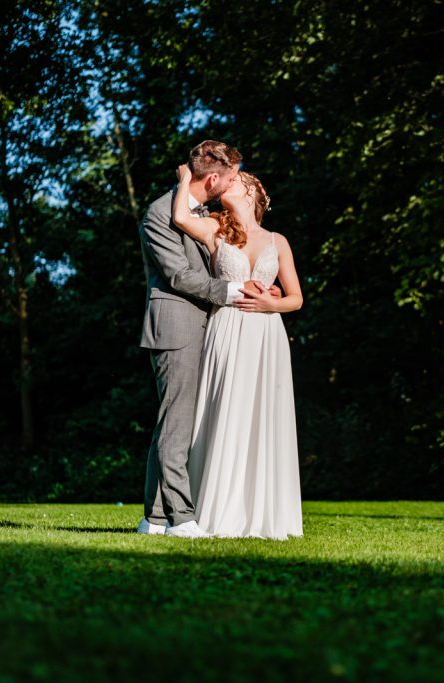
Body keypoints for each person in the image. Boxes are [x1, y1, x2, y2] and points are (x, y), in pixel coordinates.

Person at [137, 140, 271, 538]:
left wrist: (262, 288)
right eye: (231, 177)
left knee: (172, 425)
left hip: (206, 329)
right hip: (175, 328)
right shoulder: (160, 213)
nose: (235, 182)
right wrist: (235, 293)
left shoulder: (205, 214)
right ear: (214, 178)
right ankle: (181, 518)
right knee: (176, 424)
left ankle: (154, 517)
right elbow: (179, 276)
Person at [171, 163, 304, 540]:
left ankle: (260, 512)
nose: (230, 182)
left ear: (254, 193)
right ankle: (212, 508)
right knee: (223, 410)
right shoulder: (215, 229)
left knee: (261, 414)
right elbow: (180, 216)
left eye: (238, 179)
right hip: (226, 329)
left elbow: (295, 298)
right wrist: (185, 179)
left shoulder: (277, 241)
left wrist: (269, 306)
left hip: (266, 335)